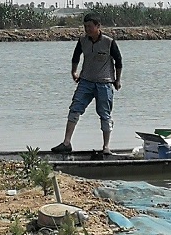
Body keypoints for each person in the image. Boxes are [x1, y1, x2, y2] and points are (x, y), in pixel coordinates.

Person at [52, 13, 122, 154]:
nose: (87, 29)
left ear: (98, 26)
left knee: (105, 114)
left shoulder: (108, 42)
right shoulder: (83, 40)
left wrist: (117, 80)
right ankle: (66, 143)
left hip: (104, 83)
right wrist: (74, 72)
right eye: (85, 26)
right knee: (74, 109)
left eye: (90, 26)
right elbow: (76, 56)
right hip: (86, 82)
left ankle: (106, 147)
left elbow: (118, 61)